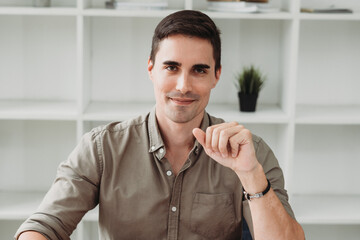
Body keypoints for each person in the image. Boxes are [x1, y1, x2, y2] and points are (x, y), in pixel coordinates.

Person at [16, 10, 304, 240]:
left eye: (199, 70)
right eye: (171, 67)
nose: (183, 85)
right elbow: (46, 224)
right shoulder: (102, 148)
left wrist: (251, 174)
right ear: (151, 69)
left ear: (216, 76)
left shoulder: (250, 152)